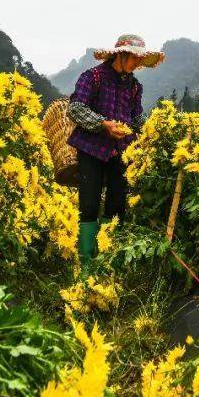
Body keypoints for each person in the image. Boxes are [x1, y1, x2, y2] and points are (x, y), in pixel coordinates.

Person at [66, 33, 165, 266]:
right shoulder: (93, 77)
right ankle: (86, 265)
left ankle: (108, 259)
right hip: (91, 149)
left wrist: (153, 129)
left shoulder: (134, 86)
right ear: (121, 55)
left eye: (141, 59)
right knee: (89, 205)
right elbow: (76, 108)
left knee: (117, 204)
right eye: (135, 58)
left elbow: (136, 116)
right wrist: (103, 125)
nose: (138, 64)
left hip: (121, 150)